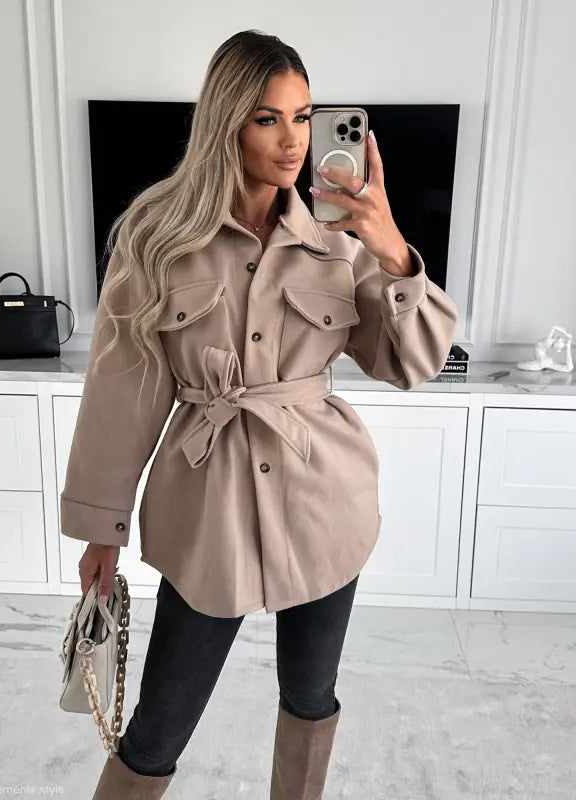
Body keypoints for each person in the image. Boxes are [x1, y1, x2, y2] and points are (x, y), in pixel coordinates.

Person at [60, 29, 459, 800]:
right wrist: (101, 528)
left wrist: (391, 250)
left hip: (325, 504)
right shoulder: (155, 236)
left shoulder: (338, 240)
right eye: (268, 118)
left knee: (310, 698)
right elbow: (122, 390)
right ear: (227, 120)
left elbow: (413, 362)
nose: (293, 139)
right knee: (157, 726)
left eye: (303, 116)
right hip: (206, 511)